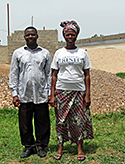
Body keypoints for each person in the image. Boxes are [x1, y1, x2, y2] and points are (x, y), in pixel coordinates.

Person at [49, 20, 94, 161]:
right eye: (68, 34)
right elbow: (54, 75)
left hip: (79, 92)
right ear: (64, 36)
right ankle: (60, 147)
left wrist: (87, 95)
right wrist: (52, 95)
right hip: (61, 92)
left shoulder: (82, 53)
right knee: (61, 121)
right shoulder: (58, 53)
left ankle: (80, 148)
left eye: (72, 34)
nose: (70, 37)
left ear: (76, 35)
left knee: (79, 120)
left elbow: (87, 75)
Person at [9, 26, 51, 158]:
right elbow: (14, 74)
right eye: (28, 35)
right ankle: (29, 147)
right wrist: (14, 94)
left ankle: (41, 146)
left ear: (37, 36)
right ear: (24, 37)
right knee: (25, 124)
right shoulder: (18, 53)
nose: (30, 37)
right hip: (24, 94)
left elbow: (49, 74)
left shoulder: (45, 53)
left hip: (41, 94)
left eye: (33, 34)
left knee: (42, 122)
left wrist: (50, 92)